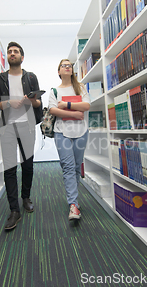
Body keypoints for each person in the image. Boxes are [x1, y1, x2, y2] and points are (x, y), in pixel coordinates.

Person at [0, 42, 43, 230]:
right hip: (7, 128)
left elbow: (38, 104)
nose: (13, 54)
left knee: (28, 165)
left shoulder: (30, 77)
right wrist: (8, 103)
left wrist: (30, 101)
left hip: (27, 126)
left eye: (16, 51)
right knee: (9, 168)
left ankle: (26, 197)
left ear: (22, 57)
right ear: (7, 57)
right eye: (10, 52)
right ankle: (14, 210)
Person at [48, 59, 91, 220]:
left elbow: (86, 106)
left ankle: (75, 202)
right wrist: (74, 113)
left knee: (76, 168)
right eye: (63, 65)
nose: (67, 67)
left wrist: (64, 105)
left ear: (72, 70)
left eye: (69, 65)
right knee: (67, 167)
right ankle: (73, 205)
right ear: (59, 71)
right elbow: (53, 110)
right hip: (61, 132)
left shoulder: (80, 88)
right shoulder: (54, 91)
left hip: (81, 132)